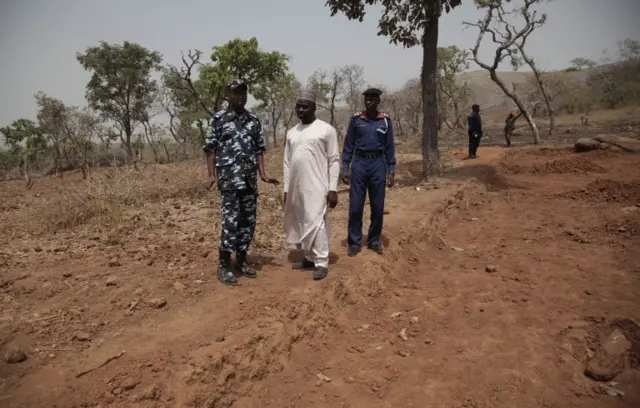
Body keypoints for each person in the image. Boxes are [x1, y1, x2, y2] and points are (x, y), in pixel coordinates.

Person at [203, 79, 279, 286]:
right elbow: (210, 149)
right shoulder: (218, 119)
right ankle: (224, 264)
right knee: (230, 222)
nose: (241, 96)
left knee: (248, 221)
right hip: (228, 180)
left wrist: (262, 174)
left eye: (244, 93)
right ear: (227, 95)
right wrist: (211, 175)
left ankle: (242, 259)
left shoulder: (253, 120)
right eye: (236, 93)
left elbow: (259, 150)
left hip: (249, 180)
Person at [283, 90, 340, 281]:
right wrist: (286, 189)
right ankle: (308, 257)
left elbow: (334, 160)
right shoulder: (292, 132)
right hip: (296, 187)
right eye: (298, 106)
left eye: (305, 106)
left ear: (314, 107)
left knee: (317, 222)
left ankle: (322, 262)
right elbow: (286, 162)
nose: (300, 109)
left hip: (318, 185)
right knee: (302, 221)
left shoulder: (326, 130)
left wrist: (333, 188)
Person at [342, 88, 396, 257]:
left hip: (378, 164)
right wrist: (345, 167)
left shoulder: (385, 121)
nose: (369, 101)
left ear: (378, 101)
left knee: (378, 205)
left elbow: (389, 147)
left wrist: (391, 170)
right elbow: (348, 145)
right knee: (356, 205)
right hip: (359, 163)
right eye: (367, 98)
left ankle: (373, 240)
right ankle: (354, 242)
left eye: (373, 98)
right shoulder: (356, 120)